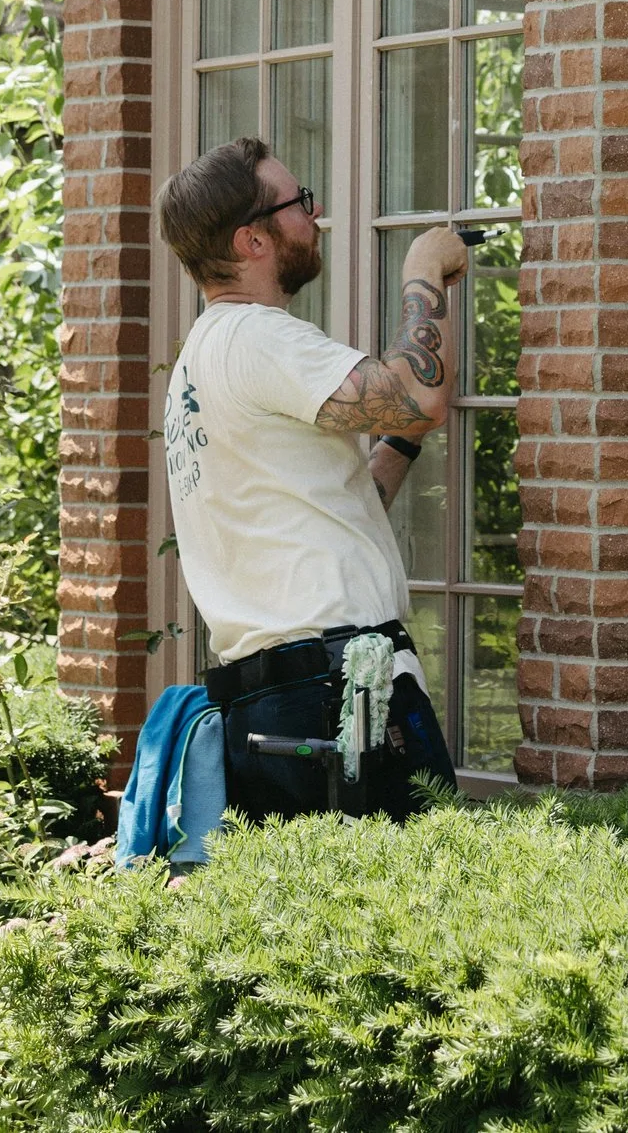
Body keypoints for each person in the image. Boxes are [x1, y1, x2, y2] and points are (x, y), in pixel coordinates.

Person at [156, 132, 470, 823]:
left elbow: (327, 506)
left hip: (273, 702)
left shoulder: (200, 362)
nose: (317, 212)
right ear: (253, 242)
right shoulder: (261, 338)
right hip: (340, 692)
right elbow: (419, 395)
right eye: (299, 202)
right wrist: (422, 267)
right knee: (420, 910)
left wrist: (400, 446)